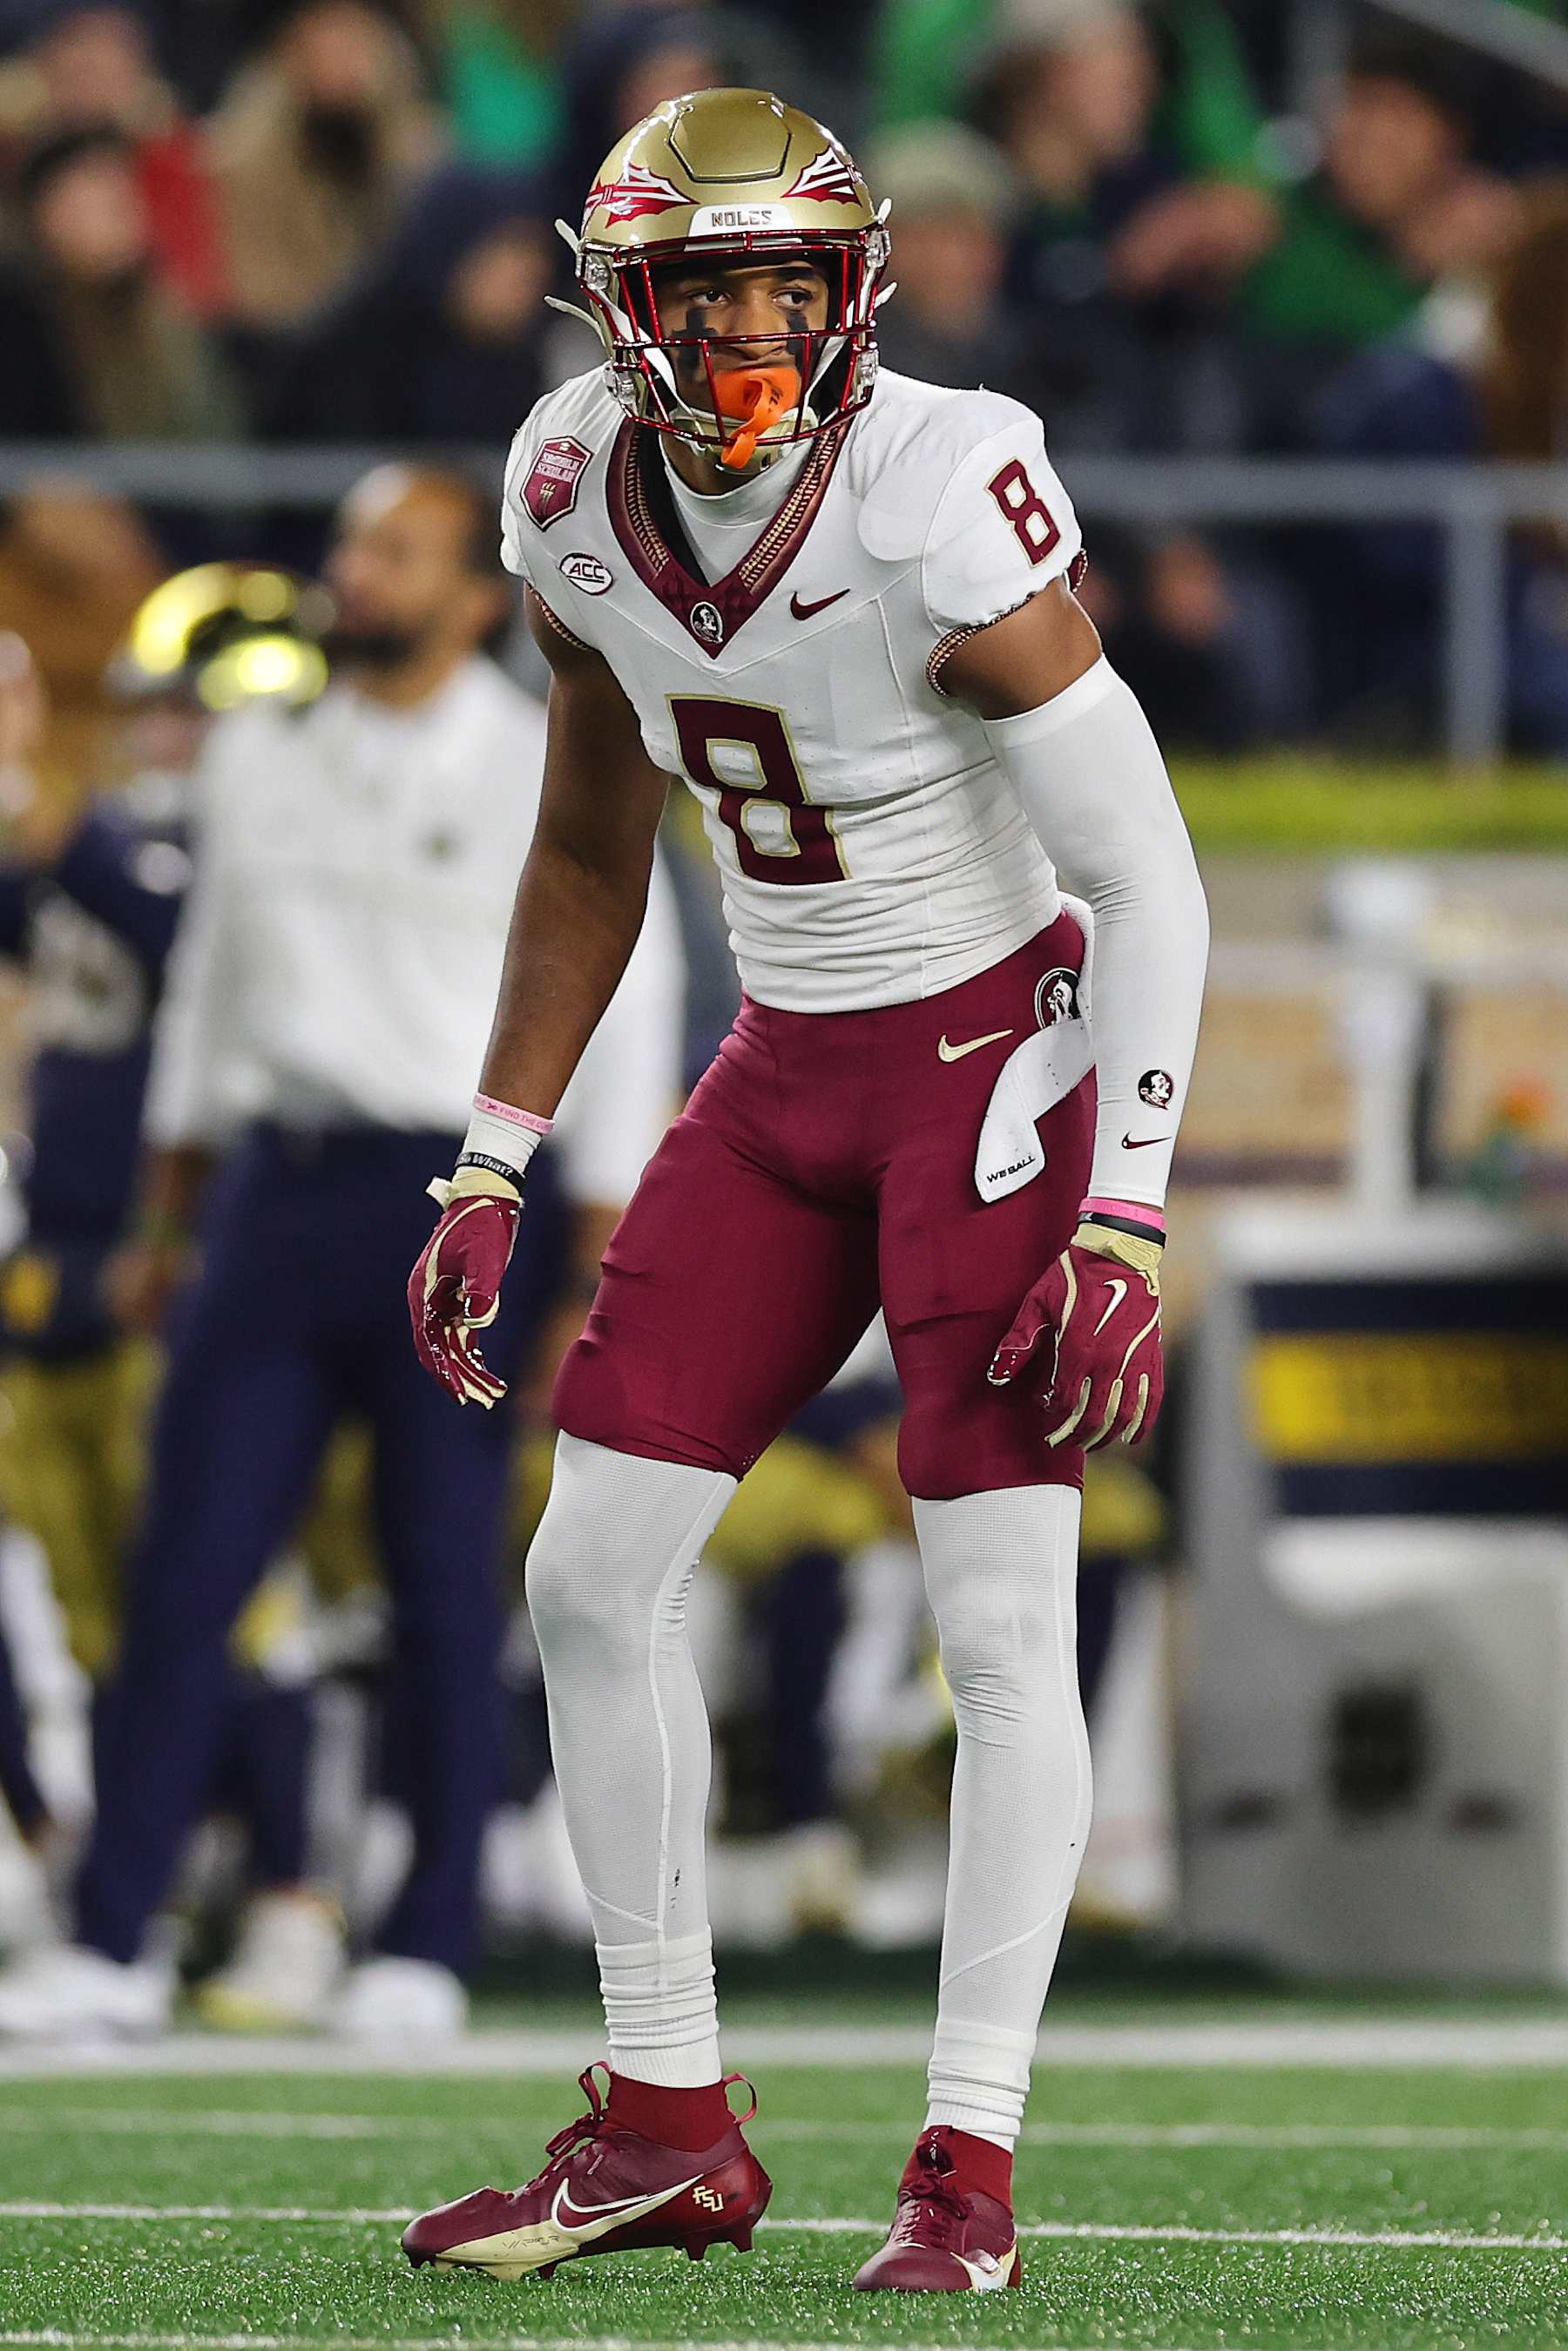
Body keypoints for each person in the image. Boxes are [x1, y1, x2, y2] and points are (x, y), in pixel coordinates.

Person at [403, 89, 1206, 2293]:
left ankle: (969, 2163)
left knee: (996, 1617)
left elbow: (1148, 875)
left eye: (788, 287)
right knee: (591, 1573)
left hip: (991, 1065)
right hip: (782, 1062)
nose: (755, 336)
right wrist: (496, 1147)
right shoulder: (568, 486)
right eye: (710, 291)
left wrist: (1128, 1205)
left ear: (852, 294)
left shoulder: (945, 485)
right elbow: (589, 842)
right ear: (620, 309)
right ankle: (664, 2114)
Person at [0, 465, 685, 2043]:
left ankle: (424, 1937)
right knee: (188, 1568)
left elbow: (622, 1015)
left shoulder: (550, 755)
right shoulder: (262, 757)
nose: (353, 575)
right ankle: (116, 1934)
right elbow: (211, 998)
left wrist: (592, 1263)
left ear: (471, 593)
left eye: (394, 553)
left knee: (442, 1580)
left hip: (465, 1197)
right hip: (272, 1189)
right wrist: (173, 1211)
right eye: (351, 546)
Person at [0, 126, 246, 443]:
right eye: (86, 201)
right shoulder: (22, 329)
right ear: (43, 219)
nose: (114, 211)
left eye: (122, 196)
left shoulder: (179, 323)